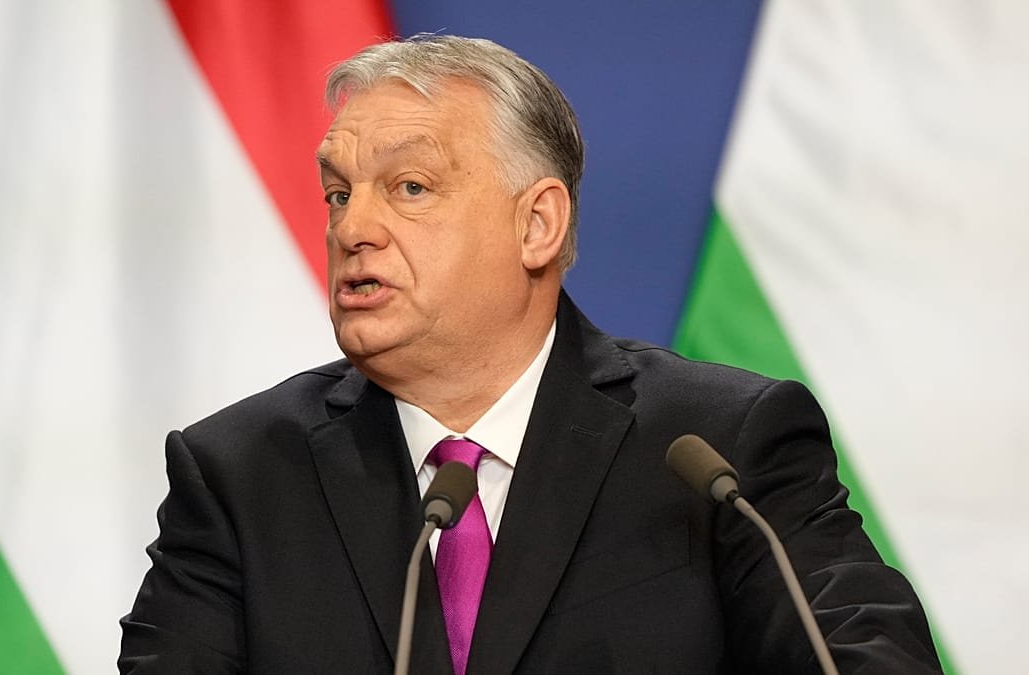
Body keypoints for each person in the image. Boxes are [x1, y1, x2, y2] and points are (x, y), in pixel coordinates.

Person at [119, 35, 942, 674]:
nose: (350, 227)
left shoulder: (717, 451)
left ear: (537, 225)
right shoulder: (240, 474)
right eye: (338, 191)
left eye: (409, 187)